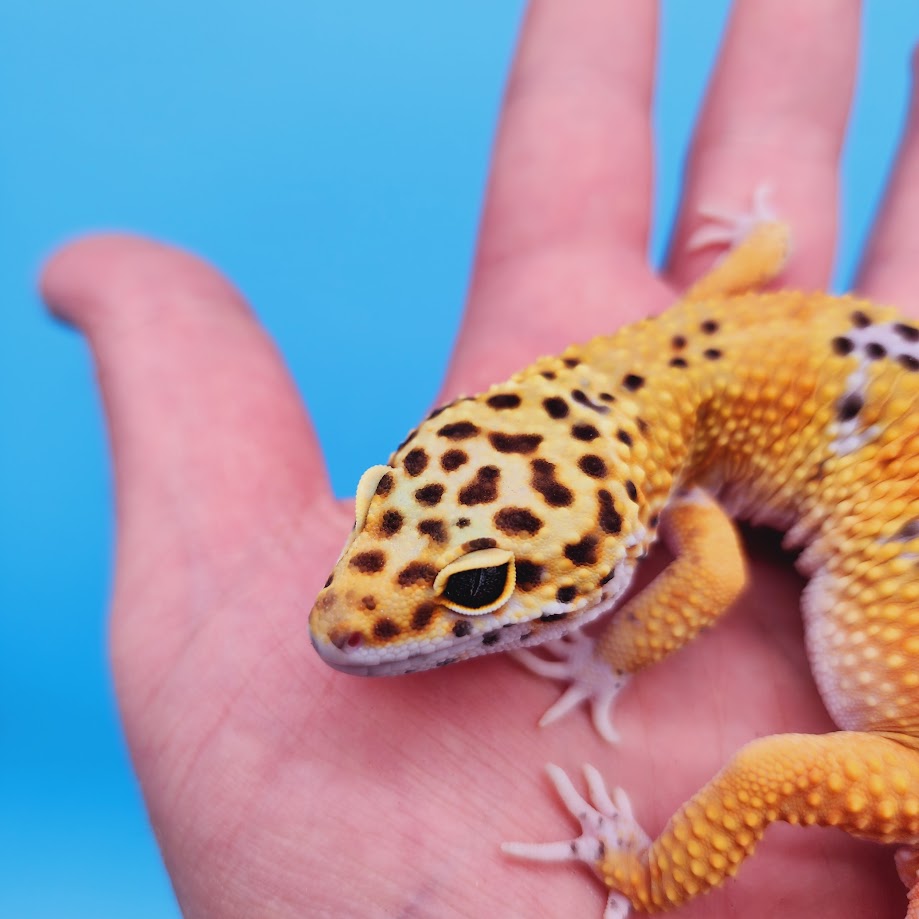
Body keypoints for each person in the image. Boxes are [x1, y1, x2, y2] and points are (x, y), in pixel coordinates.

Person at [40, 1, 919, 915]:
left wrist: (609, 657)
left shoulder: (679, 426)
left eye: (474, 588)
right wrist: (758, 243)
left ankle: (643, 879)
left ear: (615, 546)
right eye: (383, 503)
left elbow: (712, 579)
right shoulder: (685, 347)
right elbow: (763, 261)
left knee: (765, 772)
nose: (350, 614)